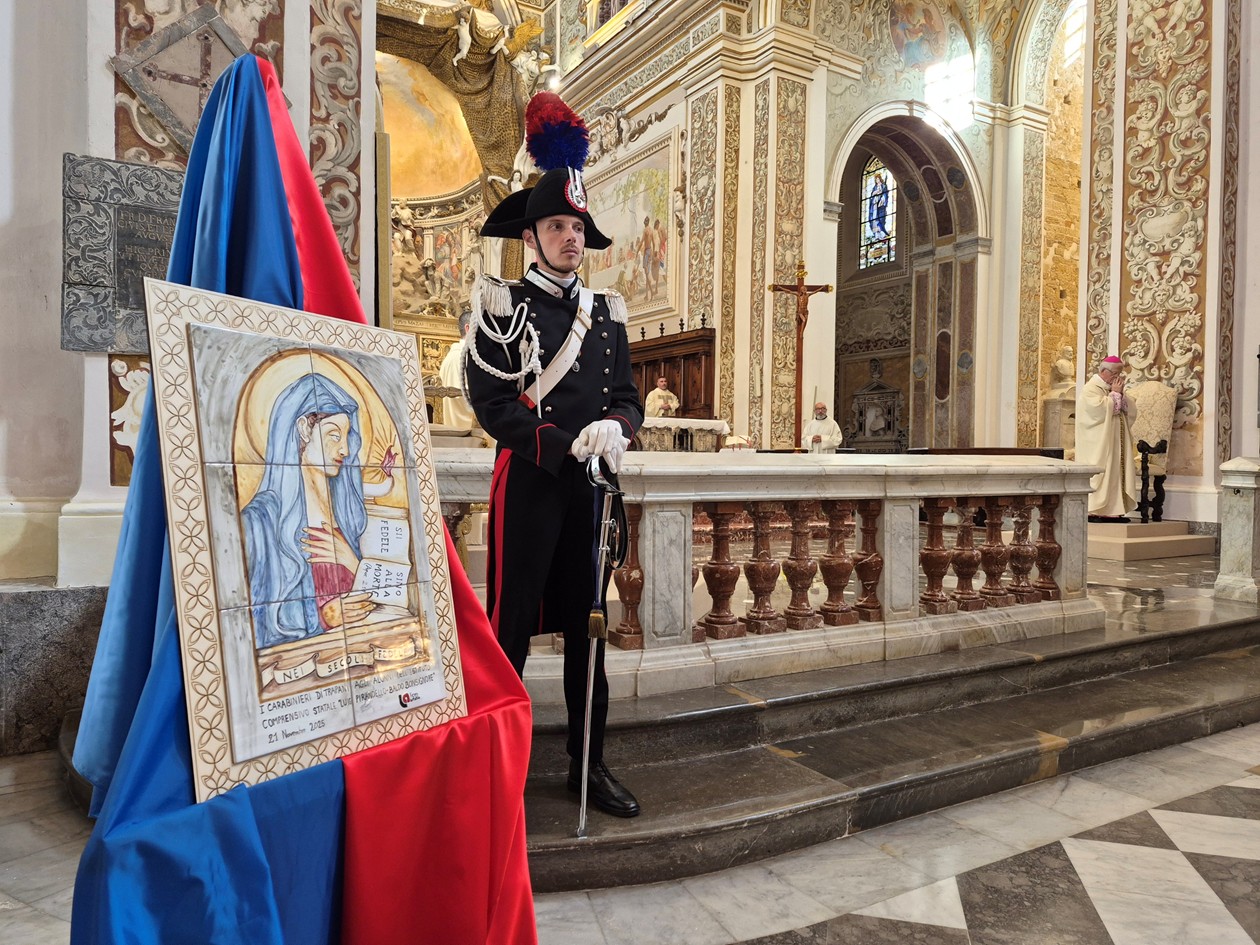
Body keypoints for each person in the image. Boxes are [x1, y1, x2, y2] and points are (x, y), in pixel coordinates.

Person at [464, 92, 644, 818]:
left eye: (577, 227)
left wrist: (618, 429)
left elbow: (627, 396)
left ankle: (588, 764)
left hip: (590, 492)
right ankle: (497, 771)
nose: (571, 238)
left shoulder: (607, 316)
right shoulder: (502, 307)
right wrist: (566, 442)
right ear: (531, 236)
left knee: (588, 628)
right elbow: (492, 403)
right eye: (558, 227)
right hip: (532, 487)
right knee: (510, 630)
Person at [241, 373, 389, 647]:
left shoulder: (346, 514)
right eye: (334, 435)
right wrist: (321, 617)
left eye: (346, 436)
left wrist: (354, 564)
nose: (345, 449)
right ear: (303, 429)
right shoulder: (260, 520)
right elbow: (248, 620)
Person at [1076, 355, 1138, 522]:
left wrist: (1120, 395)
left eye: (1120, 373)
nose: (1118, 377)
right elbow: (1097, 410)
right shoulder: (1091, 388)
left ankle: (1113, 509)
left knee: (1115, 470)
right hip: (1098, 442)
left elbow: (1129, 409)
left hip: (1116, 440)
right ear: (1103, 371)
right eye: (1115, 373)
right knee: (1103, 471)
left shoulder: (1111, 388)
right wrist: (1115, 395)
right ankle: (1095, 509)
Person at [438, 310, 477, 430]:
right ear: (468, 328)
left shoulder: (453, 356)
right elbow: (462, 398)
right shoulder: (463, 357)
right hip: (467, 430)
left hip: (455, 428)